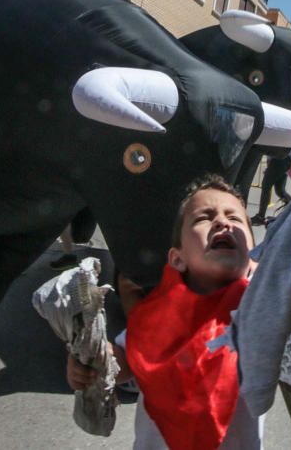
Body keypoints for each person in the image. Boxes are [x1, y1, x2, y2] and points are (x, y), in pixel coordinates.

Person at [67, 176, 262, 449]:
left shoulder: (264, 308)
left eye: (235, 218)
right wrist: (94, 361)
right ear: (177, 258)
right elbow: (126, 365)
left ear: (253, 256)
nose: (222, 222)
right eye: (204, 218)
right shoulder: (160, 314)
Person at [250, 150, 291, 226]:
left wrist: (290, 169)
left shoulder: (282, 143)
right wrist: (289, 169)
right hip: (281, 162)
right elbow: (269, 156)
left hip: (278, 162)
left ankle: (260, 216)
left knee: (266, 188)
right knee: (280, 190)